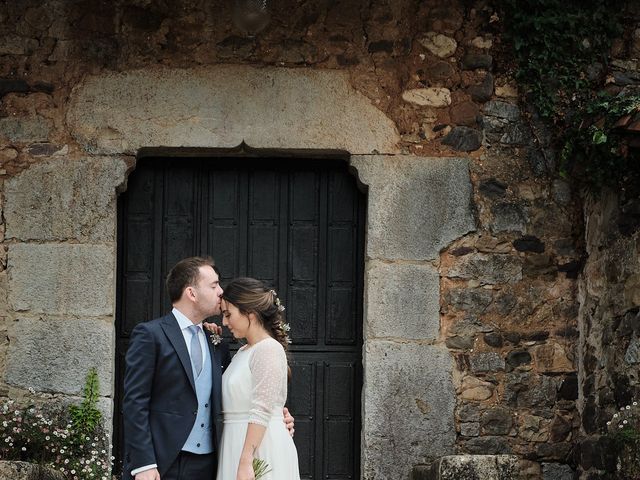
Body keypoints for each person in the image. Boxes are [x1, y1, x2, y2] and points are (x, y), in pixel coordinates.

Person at [122, 257, 294, 480]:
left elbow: (244, 391)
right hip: (162, 462)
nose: (221, 292)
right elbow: (135, 401)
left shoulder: (217, 342)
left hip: (210, 463)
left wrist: (277, 416)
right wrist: (144, 463)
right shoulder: (150, 335)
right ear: (192, 294)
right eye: (214, 285)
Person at [216, 277, 301, 480]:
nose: (224, 322)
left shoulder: (268, 349)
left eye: (228, 314)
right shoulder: (243, 351)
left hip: (259, 450)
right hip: (235, 443)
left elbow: (261, 409)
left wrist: (246, 460)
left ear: (250, 314)